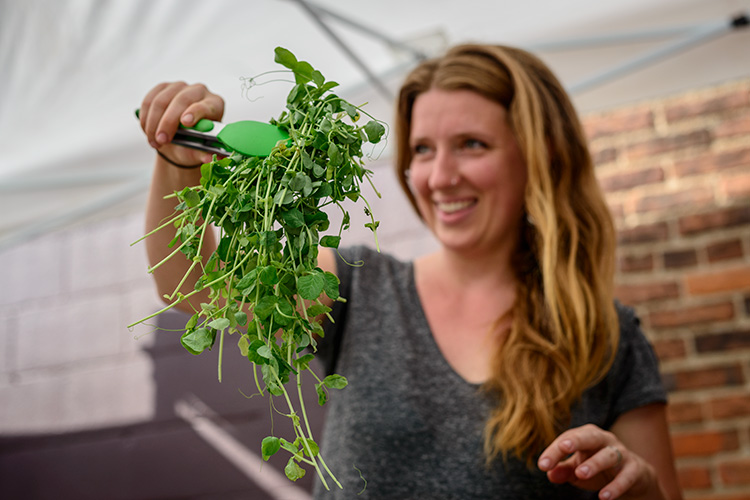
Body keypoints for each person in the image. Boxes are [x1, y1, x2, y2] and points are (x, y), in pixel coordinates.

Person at [138, 44, 682, 500]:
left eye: (472, 144)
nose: (439, 177)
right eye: (422, 149)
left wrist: (641, 488)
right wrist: (178, 162)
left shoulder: (608, 338)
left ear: (539, 156)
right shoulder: (358, 286)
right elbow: (193, 285)